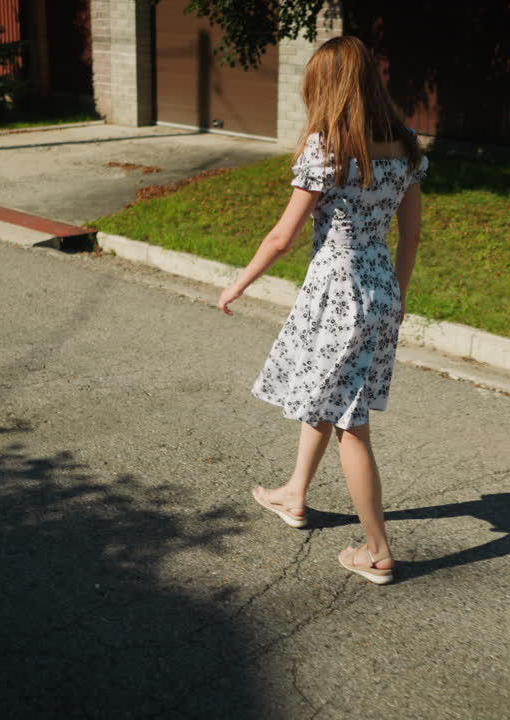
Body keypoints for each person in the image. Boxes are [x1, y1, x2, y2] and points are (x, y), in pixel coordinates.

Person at [216, 36, 427, 585]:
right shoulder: (405, 146)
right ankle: (294, 493)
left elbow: (282, 236)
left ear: (326, 86)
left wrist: (237, 284)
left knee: (350, 425)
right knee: (326, 391)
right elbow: (411, 235)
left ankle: (377, 550)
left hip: (337, 295)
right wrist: (398, 296)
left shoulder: (327, 148)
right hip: (380, 289)